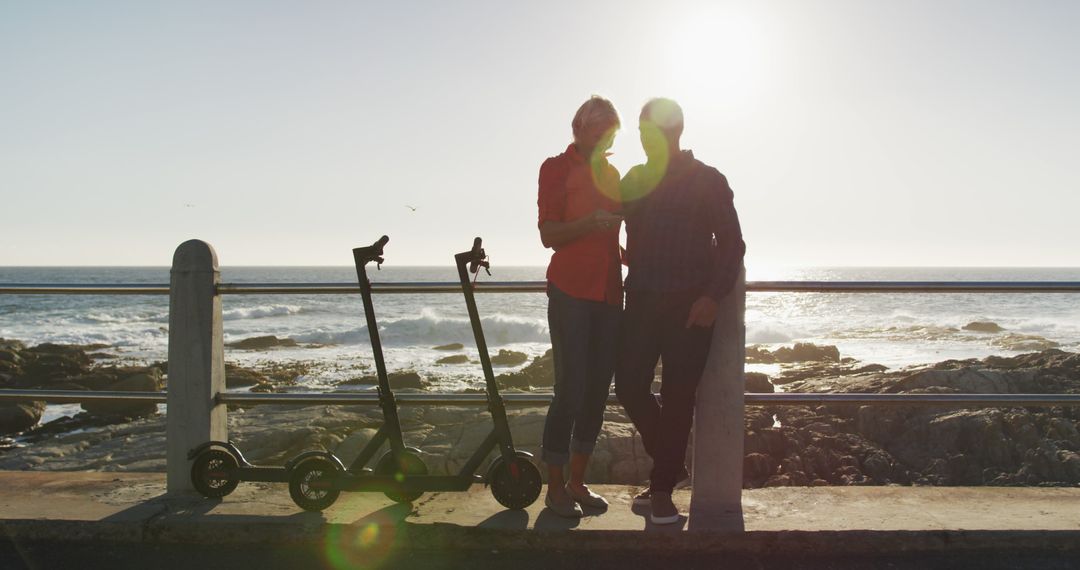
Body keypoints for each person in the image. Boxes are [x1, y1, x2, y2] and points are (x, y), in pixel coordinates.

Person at [615, 98, 745, 525]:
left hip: (691, 309)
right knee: (629, 385)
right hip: (642, 302)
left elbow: (731, 244)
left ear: (674, 132)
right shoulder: (634, 179)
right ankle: (669, 465)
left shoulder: (707, 180)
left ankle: (662, 490)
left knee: (677, 399)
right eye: (640, 131)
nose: (643, 138)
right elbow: (613, 226)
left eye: (649, 130)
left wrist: (712, 296)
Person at [536, 96, 624, 518]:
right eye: (599, 129)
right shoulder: (555, 168)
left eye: (611, 131)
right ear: (579, 128)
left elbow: (612, 240)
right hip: (570, 290)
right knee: (569, 391)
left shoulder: (613, 174)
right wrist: (590, 223)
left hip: (609, 294)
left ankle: (577, 482)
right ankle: (554, 489)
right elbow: (549, 234)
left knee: (595, 394)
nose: (605, 137)